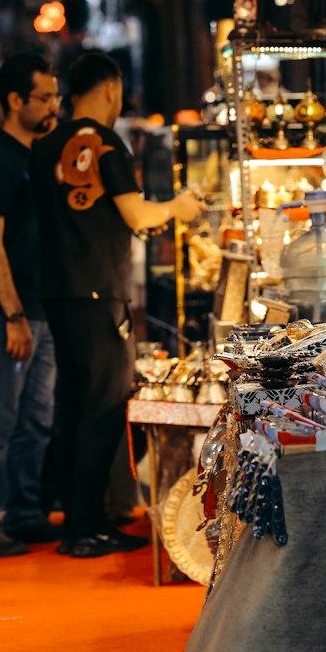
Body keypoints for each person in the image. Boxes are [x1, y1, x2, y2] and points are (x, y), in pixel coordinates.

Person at [31, 51, 205, 558]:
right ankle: (87, 527)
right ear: (110, 90)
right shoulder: (105, 143)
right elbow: (136, 215)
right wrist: (179, 206)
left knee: (72, 404)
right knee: (102, 406)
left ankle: (78, 517)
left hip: (58, 290)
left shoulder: (45, 146)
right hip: (98, 289)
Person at [0, 54, 60, 558]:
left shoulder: (37, 154)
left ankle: (24, 510)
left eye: (54, 95)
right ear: (14, 101)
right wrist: (13, 315)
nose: (52, 105)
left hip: (37, 307)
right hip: (6, 310)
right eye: (43, 97)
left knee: (35, 417)